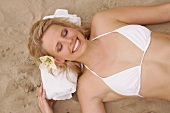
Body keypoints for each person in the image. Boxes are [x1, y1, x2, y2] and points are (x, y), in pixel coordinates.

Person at [28, 3, 170, 113]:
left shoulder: (104, 20)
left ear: (70, 27)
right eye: (60, 47)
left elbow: (164, 12)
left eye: (64, 33)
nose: (69, 41)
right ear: (58, 60)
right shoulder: (89, 89)